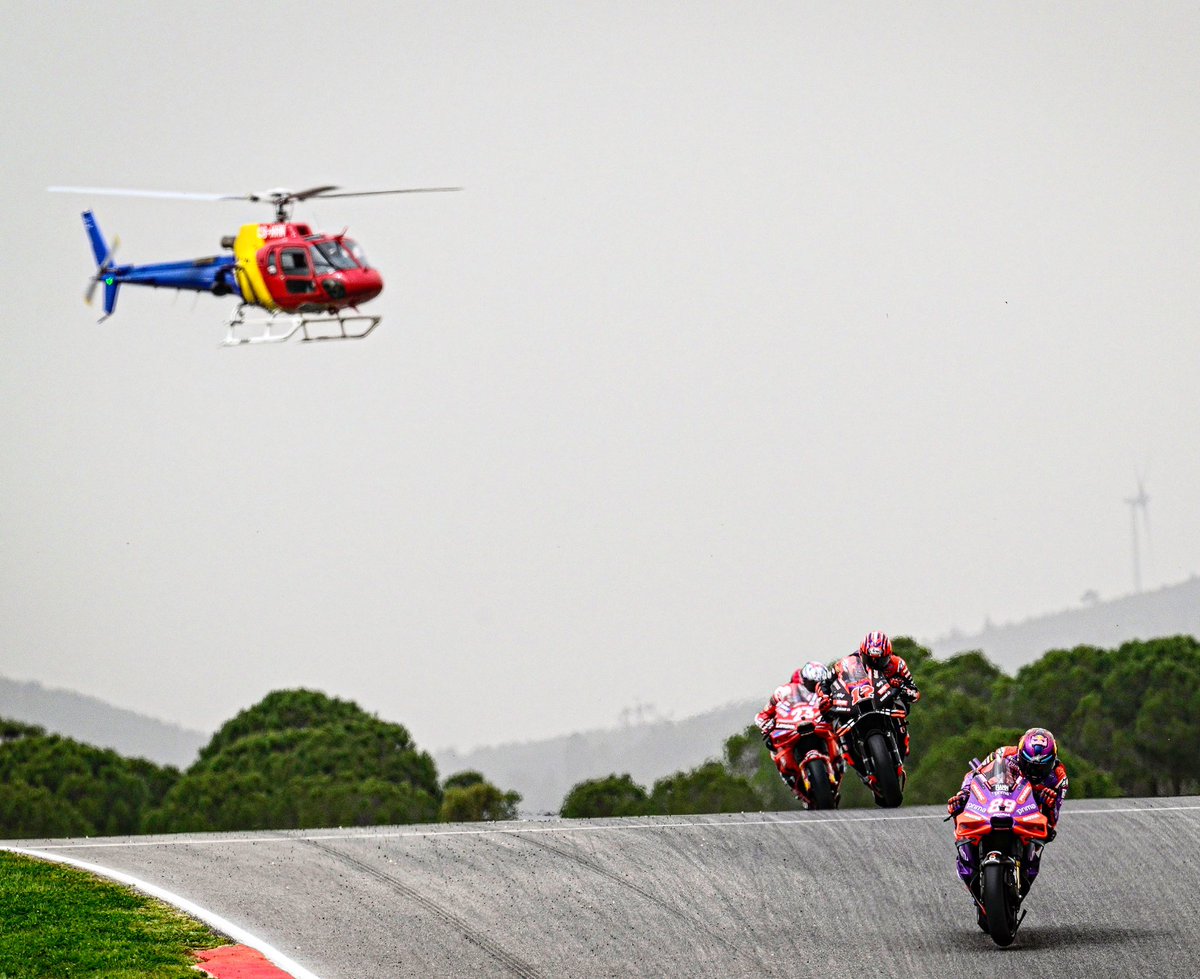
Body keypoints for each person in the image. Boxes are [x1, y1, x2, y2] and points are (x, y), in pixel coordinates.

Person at [947, 727, 1068, 905]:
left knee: (1046, 835)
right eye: (1029, 765)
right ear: (1020, 755)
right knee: (960, 805)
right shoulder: (1004, 754)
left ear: (1052, 762)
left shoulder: (1059, 777)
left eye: (1041, 768)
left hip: (1029, 811)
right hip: (1001, 800)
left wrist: (1048, 804)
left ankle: (1025, 868)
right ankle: (967, 853)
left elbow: (1052, 820)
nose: (1034, 772)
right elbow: (976, 775)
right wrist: (964, 794)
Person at [831, 631, 920, 752]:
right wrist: (833, 696)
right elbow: (832, 682)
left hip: (887, 702)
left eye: (880, 660)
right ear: (862, 654)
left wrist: (902, 689)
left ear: (888, 656)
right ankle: (851, 750)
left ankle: (901, 736)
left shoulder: (898, 664)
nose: (874, 663)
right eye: (870, 659)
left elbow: (914, 691)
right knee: (840, 727)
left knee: (900, 702)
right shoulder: (851, 664)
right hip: (861, 702)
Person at [755, 661, 834, 790]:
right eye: (810, 684)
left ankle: (845, 759)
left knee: (841, 730)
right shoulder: (783, 693)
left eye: (816, 684)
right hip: (793, 729)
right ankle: (788, 776)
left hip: (818, 725)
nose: (812, 688)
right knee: (771, 744)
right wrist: (767, 724)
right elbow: (764, 714)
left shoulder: (823, 692)